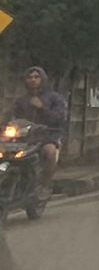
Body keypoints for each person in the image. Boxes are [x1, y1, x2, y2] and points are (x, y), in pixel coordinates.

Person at [11, 67, 68, 200]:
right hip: (24, 139)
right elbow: (12, 117)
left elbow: (59, 118)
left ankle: (45, 185)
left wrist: (42, 108)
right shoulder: (21, 100)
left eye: (37, 77)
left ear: (43, 79)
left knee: (49, 152)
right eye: (30, 77)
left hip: (47, 137)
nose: (33, 80)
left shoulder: (54, 98)